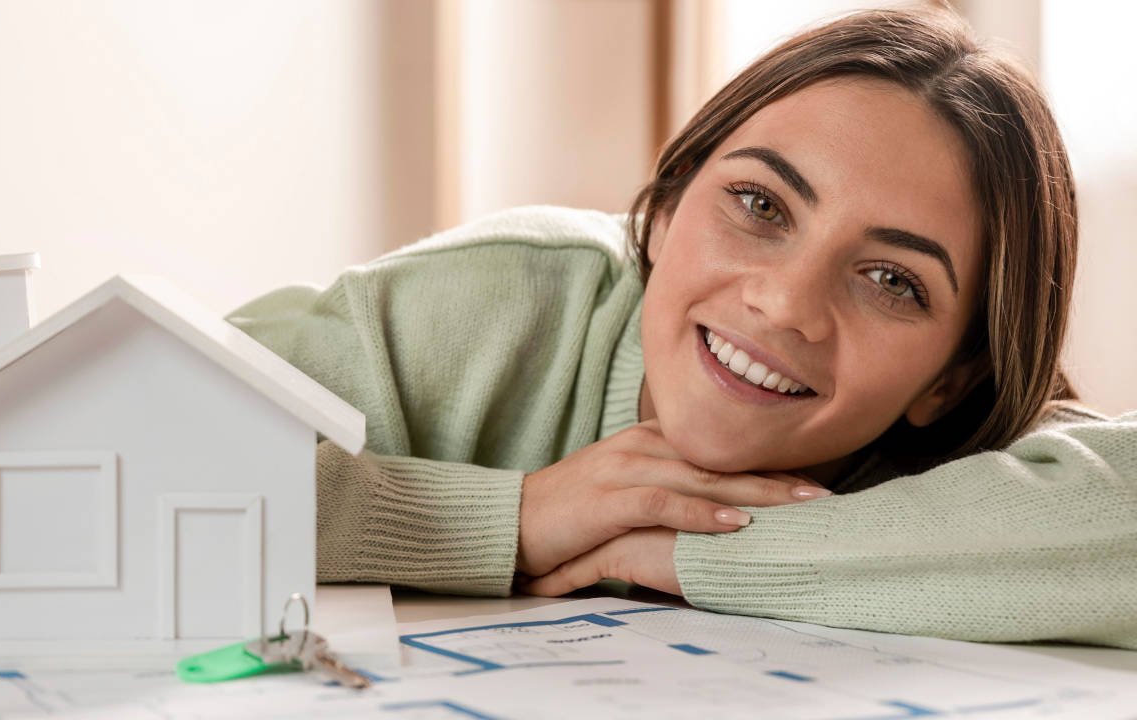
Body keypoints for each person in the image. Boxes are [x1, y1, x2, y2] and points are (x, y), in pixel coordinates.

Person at [227, 8, 1137, 648]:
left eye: (892, 280)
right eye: (758, 203)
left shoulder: (974, 449)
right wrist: (516, 519)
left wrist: (705, 551)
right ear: (664, 210)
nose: (783, 304)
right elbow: (113, 443)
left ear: (953, 377)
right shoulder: (506, 297)